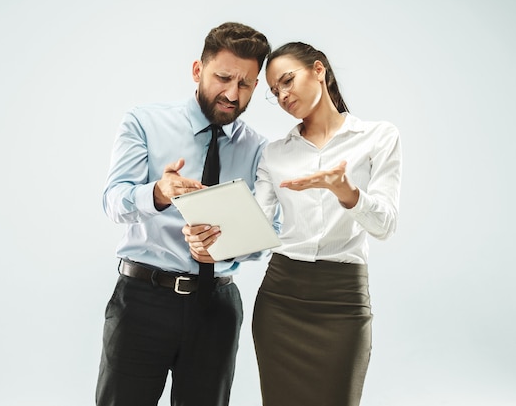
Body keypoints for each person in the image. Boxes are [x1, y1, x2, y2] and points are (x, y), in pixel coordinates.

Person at [96, 22, 271, 406]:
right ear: (198, 71)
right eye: (223, 78)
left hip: (217, 306)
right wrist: (158, 193)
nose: (231, 93)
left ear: (256, 85)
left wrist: (226, 249)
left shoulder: (259, 149)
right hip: (143, 300)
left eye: (245, 84)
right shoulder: (144, 122)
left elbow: (268, 233)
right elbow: (113, 200)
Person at [257, 41, 402, 405]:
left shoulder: (379, 137)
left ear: (318, 70)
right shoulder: (274, 153)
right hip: (280, 298)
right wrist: (205, 217)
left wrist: (346, 191)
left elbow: (384, 226)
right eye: (275, 92)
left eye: (287, 81)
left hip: (342, 300)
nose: (283, 95)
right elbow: (256, 228)